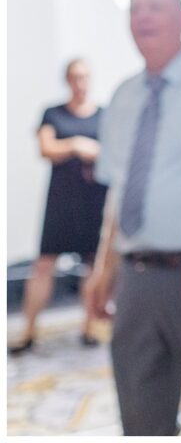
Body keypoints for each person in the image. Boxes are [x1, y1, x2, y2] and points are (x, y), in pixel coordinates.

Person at [83, 0, 181, 435]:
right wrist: (102, 269)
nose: (143, 17)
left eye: (155, 7)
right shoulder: (122, 97)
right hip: (135, 278)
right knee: (140, 415)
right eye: (135, 10)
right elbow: (119, 189)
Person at [9, 58, 108, 354]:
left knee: (93, 263)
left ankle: (89, 328)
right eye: (75, 77)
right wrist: (77, 145)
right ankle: (28, 331)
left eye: (85, 77)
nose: (80, 83)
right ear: (67, 80)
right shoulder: (53, 113)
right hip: (61, 201)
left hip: (93, 198)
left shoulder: (103, 114)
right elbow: (46, 148)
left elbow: (113, 152)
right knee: (44, 264)